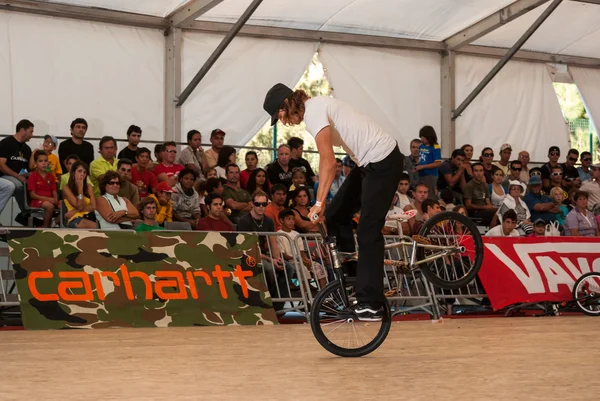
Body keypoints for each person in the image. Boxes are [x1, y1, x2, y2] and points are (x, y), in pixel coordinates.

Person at [264, 82, 403, 321]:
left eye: (281, 115)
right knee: (337, 214)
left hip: (384, 161)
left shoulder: (315, 110)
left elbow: (327, 161)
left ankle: (371, 302)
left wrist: (318, 203)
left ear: (287, 103)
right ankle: (352, 279)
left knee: (369, 230)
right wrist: (325, 206)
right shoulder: (316, 111)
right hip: (367, 164)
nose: (284, 121)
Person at [236, 190, 296, 310]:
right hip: (247, 255)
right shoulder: (244, 222)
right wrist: (270, 259)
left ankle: (277, 306)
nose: (261, 207)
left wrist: (277, 258)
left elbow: (273, 241)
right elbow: (249, 249)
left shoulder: (268, 221)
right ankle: (268, 303)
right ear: (252, 204)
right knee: (268, 268)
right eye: (258, 204)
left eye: (264, 204)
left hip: (262, 255)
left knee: (288, 267)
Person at [277, 209, 327, 289]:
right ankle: (306, 295)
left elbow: (301, 251)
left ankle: (323, 295)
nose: (291, 221)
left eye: (293, 219)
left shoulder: (296, 234)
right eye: (288, 219)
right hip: (290, 261)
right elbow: (283, 254)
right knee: (302, 268)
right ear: (281, 220)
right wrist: (298, 259)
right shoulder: (278, 235)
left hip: (300, 259)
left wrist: (306, 259)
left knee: (318, 267)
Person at [0, 119, 34, 226]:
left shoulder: (27, 149)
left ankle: (27, 213)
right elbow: (1, 165)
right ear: (23, 130)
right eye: (31, 132)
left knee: (29, 184)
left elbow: (27, 169)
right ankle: (26, 212)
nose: (32, 135)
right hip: (3, 176)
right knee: (18, 184)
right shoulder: (6, 143)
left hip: (19, 178)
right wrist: (18, 177)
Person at [28, 150, 58, 227]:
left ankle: (55, 223)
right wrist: (48, 199)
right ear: (35, 163)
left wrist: (55, 199)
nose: (44, 163)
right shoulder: (33, 176)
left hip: (50, 200)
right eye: (40, 161)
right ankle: (45, 227)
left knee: (65, 205)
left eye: (45, 161)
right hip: (37, 201)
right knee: (50, 206)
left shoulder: (51, 176)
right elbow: (32, 195)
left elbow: (54, 190)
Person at [62, 161, 97, 229]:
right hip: (75, 218)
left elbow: (93, 207)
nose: (82, 174)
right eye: (80, 171)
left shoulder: (89, 187)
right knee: (95, 226)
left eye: (84, 172)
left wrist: (74, 211)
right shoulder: (67, 188)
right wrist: (80, 189)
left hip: (90, 216)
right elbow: (80, 206)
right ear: (73, 173)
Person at [416, 125, 442, 199]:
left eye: (423, 137)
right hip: (420, 173)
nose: (421, 139)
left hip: (430, 174)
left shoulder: (435, 147)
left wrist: (423, 166)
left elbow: (438, 163)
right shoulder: (421, 146)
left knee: (429, 194)